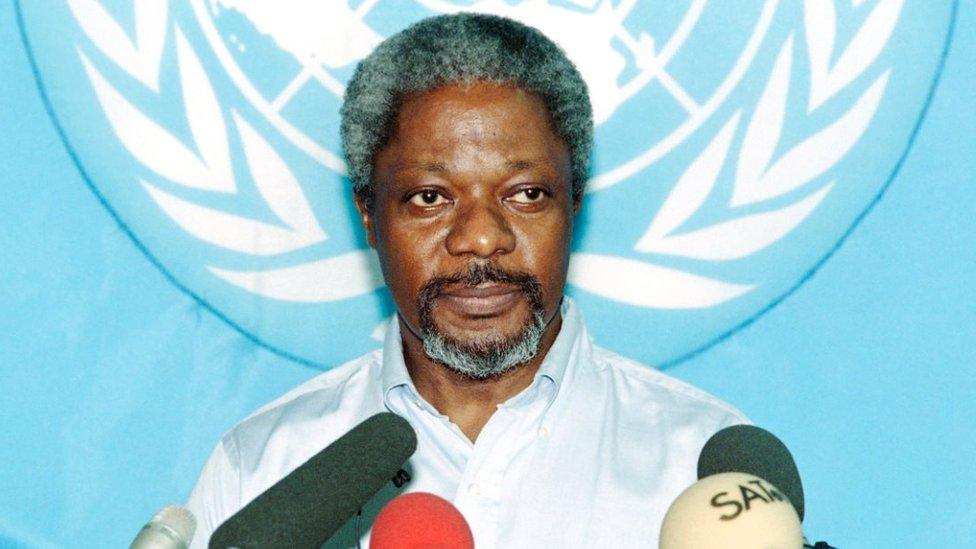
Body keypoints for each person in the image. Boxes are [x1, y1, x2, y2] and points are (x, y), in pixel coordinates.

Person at [186, 13, 746, 548]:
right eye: (430, 197)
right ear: (369, 216)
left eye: (526, 194)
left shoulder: (704, 472)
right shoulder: (262, 474)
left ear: (573, 206)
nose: (481, 238)